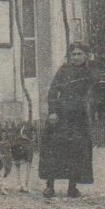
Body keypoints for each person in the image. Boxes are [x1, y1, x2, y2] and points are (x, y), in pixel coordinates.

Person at [40, 42, 96, 198]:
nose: (76, 57)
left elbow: (96, 91)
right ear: (69, 56)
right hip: (60, 117)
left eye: (80, 54)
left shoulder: (90, 72)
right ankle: (49, 187)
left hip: (79, 118)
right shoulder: (64, 70)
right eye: (74, 54)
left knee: (76, 152)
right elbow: (53, 91)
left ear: (86, 56)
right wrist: (52, 112)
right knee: (53, 150)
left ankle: (72, 187)